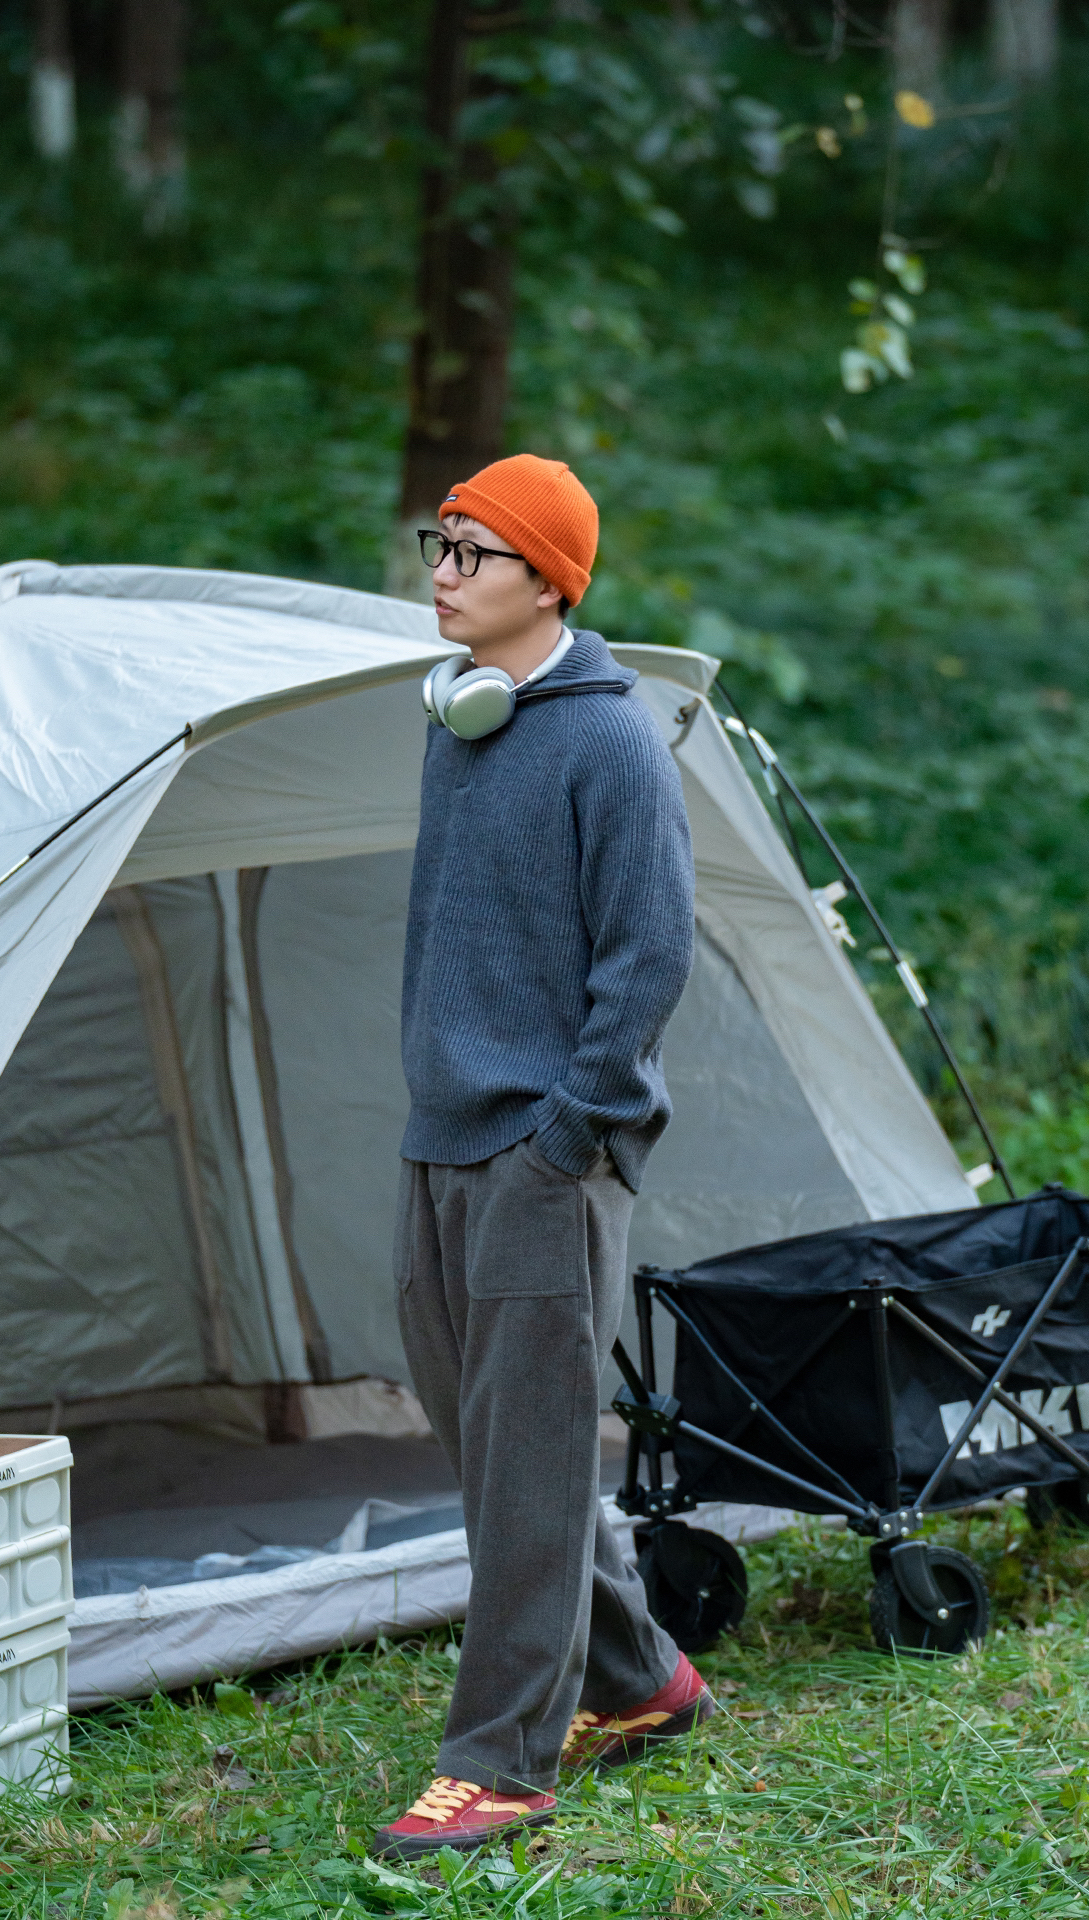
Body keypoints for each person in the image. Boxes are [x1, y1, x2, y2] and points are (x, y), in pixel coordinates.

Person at [374, 454, 715, 1861]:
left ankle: (501, 1762)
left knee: (524, 1460)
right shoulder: (461, 722)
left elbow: (650, 957)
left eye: (473, 553)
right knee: (496, 1449)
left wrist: (569, 1135)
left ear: (549, 581)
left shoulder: (613, 743)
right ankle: (641, 1678)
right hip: (440, 1142)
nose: (443, 574)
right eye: (440, 545)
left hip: (541, 1153)